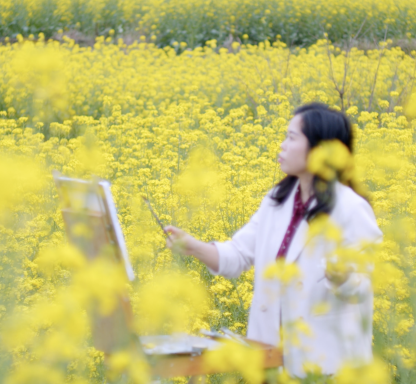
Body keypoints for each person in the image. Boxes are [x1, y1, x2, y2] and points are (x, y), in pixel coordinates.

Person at [164, 102, 383, 378]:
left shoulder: (350, 208)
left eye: (291, 138)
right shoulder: (277, 200)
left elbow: (363, 286)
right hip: (270, 360)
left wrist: (341, 276)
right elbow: (239, 255)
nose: (282, 145)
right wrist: (193, 246)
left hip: (325, 367)